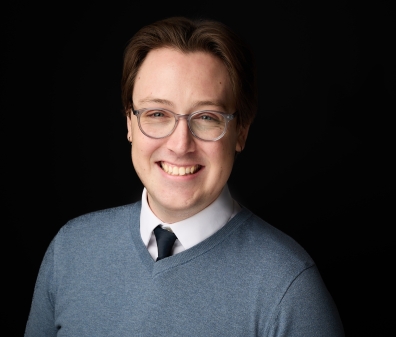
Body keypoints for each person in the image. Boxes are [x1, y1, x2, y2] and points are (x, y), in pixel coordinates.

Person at [25, 16, 344, 336]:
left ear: (241, 130)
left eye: (207, 117)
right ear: (129, 123)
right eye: (157, 114)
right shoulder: (71, 250)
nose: (180, 145)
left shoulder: (288, 287)